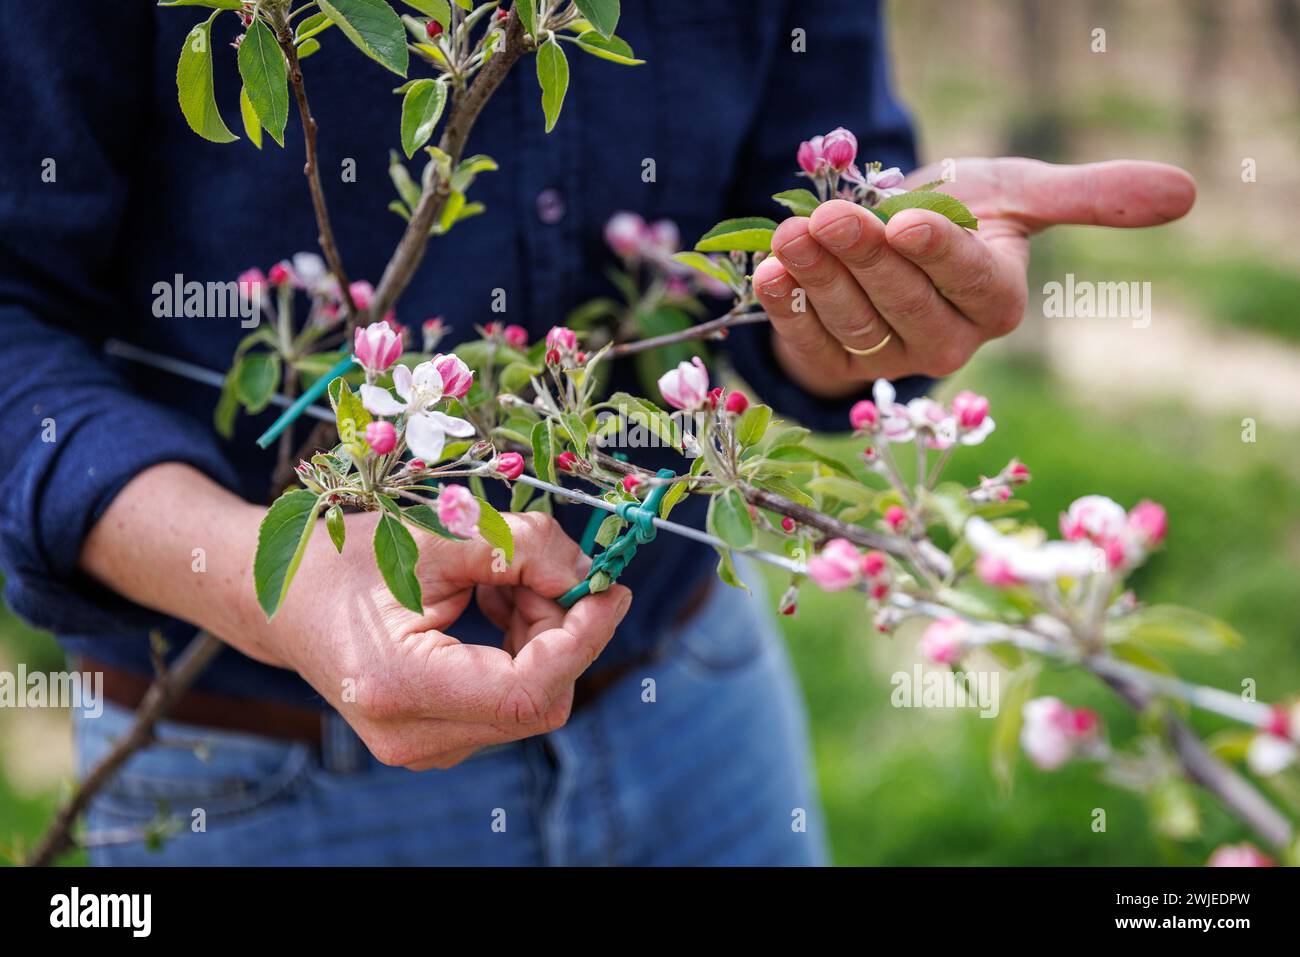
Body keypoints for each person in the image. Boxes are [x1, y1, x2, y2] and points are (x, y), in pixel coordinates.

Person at [0, 0, 1193, 865]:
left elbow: (807, 183)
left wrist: (857, 305)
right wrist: (267, 579)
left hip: (695, 692)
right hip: (254, 769)